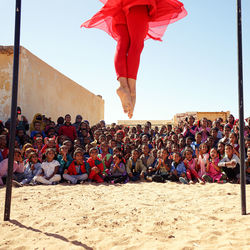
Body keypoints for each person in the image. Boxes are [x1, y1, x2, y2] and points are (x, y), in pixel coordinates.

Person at [82, 0, 187, 118]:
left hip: (119, 6)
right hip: (137, 4)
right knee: (136, 45)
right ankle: (131, 91)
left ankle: (124, 86)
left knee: (123, 43)